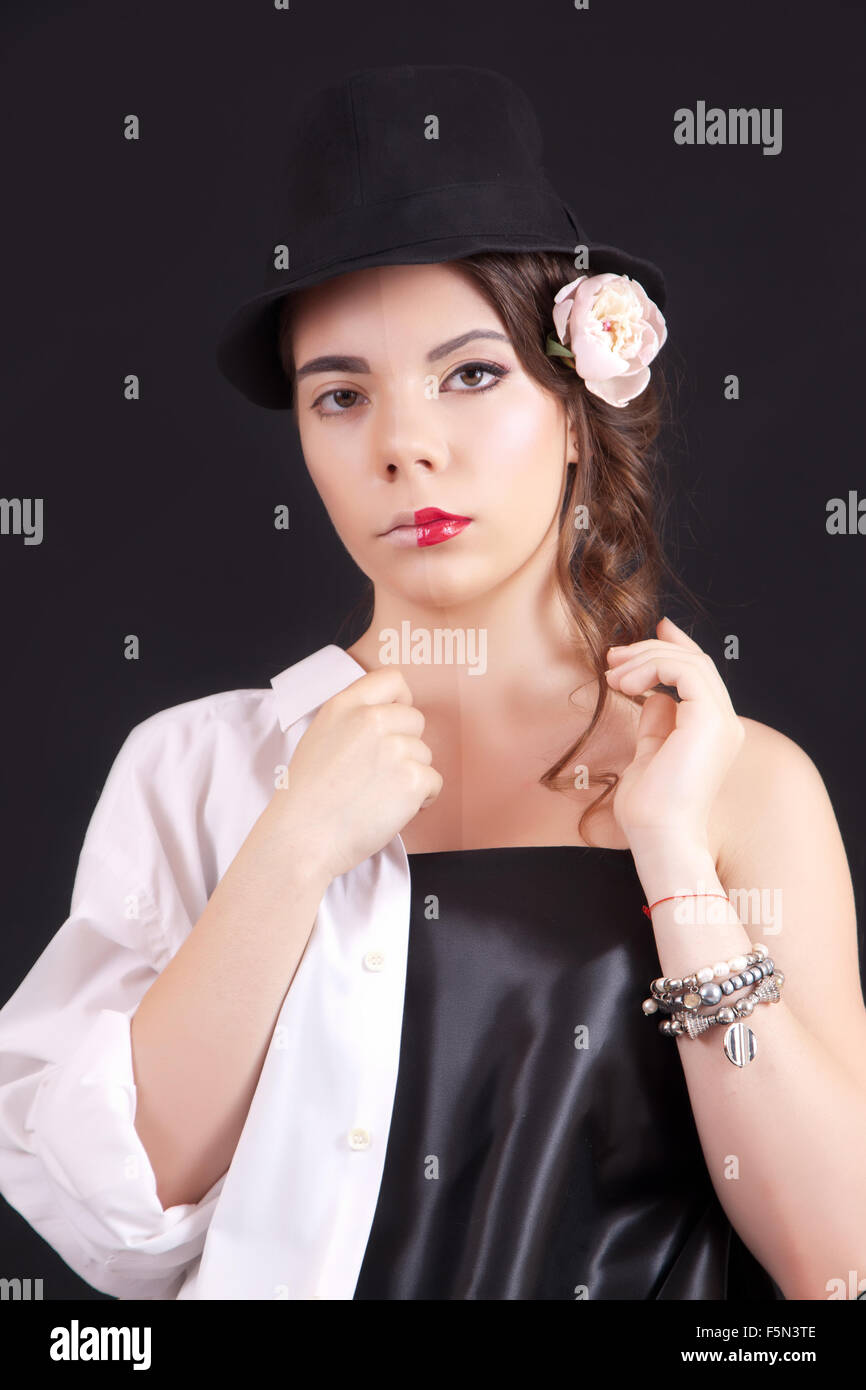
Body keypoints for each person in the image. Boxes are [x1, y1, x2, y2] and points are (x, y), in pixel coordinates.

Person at [1, 63, 865, 1303]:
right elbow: (111, 1225)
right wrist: (290, 848)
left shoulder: (739, 784)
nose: (403, 442)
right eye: (340, 394)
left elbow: (830, 1260)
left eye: (469, 374)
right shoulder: (196, 768)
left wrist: (671, 856)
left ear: (575, 408)